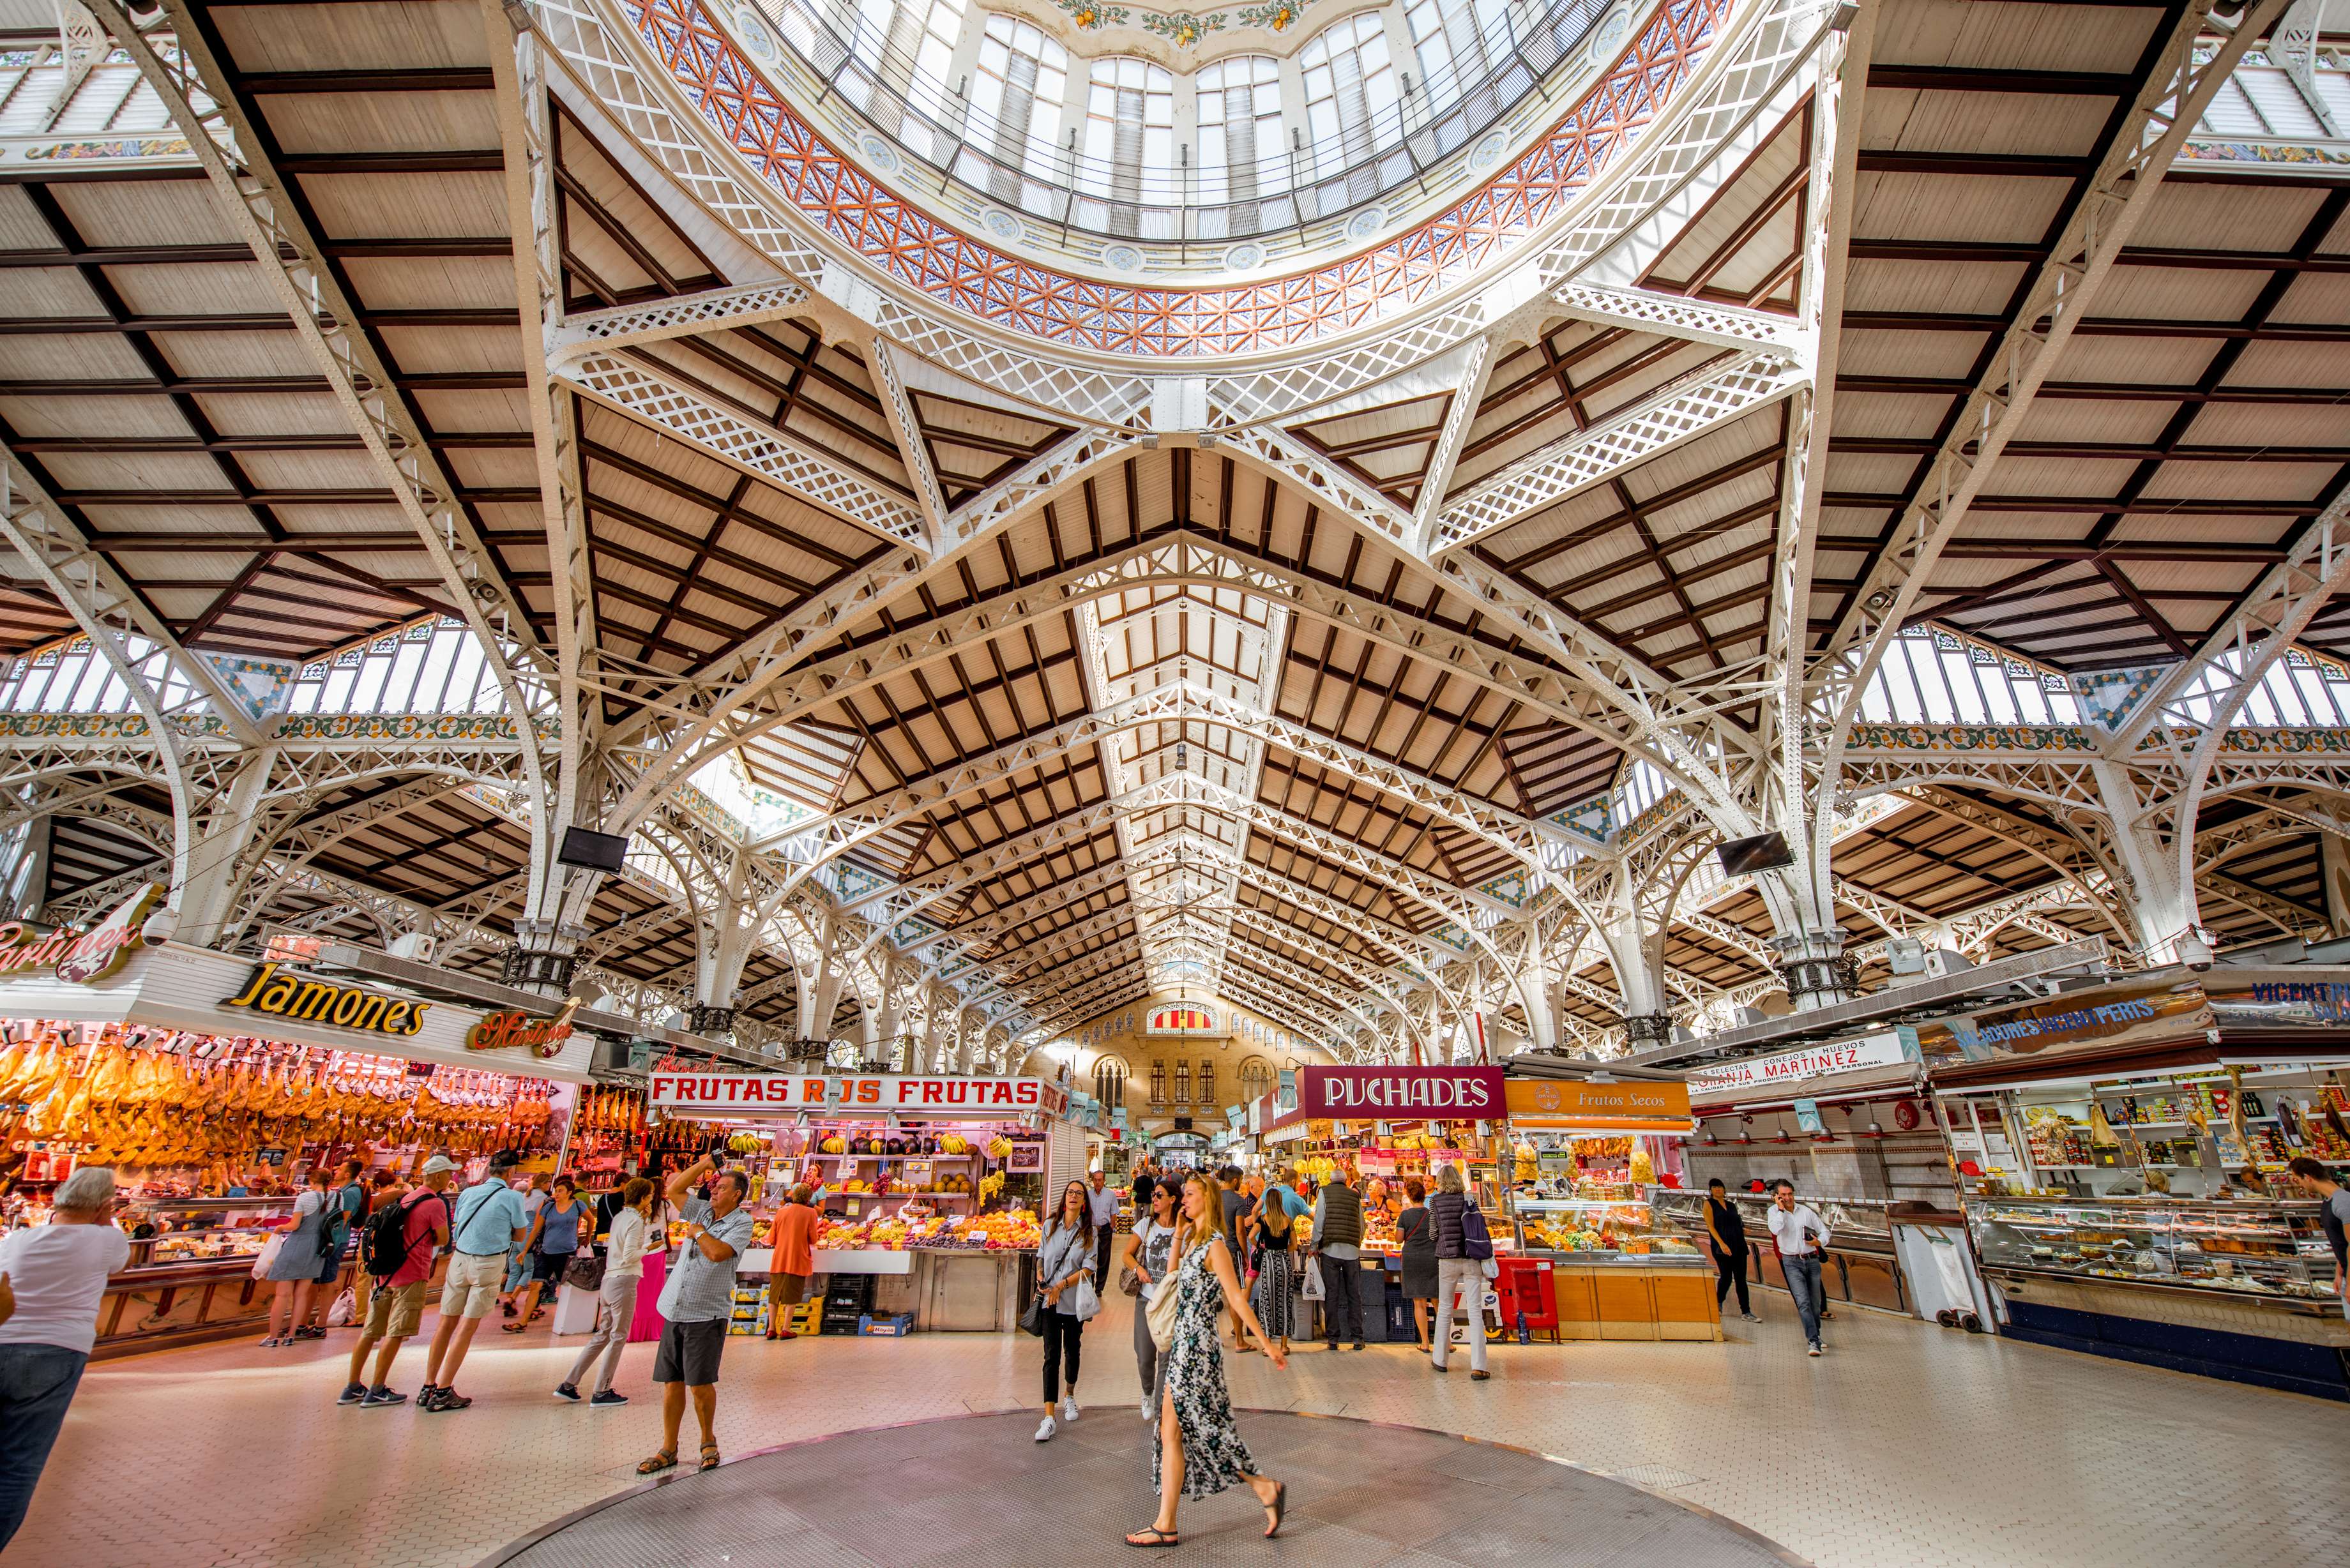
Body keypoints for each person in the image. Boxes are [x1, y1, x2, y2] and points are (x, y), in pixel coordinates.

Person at [1124, 1170, 1291, 1549]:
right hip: (1181, 1342)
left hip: (1198, 1347)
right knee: (1171, 1433)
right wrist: (1180, 1233)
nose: (1184, 1200)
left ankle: (1265, 1487)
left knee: (1204, 1431)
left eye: (1192, 1195)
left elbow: (1235, 1298)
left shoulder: (1216, 1245)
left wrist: (1266, 1343)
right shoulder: (1194, 1241)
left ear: (1208, 1201)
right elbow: (1171, 1281)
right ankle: (1166, 1523)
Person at [0, 1166, 130, 1549]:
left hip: (3, 1338)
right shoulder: (106, 1240)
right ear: (104, 1206)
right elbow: (118, 1261)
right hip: (56, 1352)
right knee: (18, 1463)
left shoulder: (18, 1238)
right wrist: (106, 1219)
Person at [639, 1150, 756, 1474]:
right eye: (714, 1187)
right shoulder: (702, 1210)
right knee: (672, 1382)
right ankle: (668, 1447)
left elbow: (718, 1254)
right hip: (676, 1306)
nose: (714, 1191)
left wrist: (699, 1233)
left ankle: (708, 1442)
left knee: (700, 1384)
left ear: (737, 1195)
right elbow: (675, 1190)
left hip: (706, 1313)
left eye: (721, 1189)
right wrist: (704, 1166)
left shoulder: (742, 1222)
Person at [337, 1154, 454, 1408]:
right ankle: (378, 1389)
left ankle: (352, 1386)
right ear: (437, 1176)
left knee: (370, 1331)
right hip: (412, 1273)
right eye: (447, 1174)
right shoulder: (434, 1203)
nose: (450, 1178)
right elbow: (443, 1238)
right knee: (396, 1332)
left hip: (386, 1273)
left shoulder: (406, 1198)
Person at [419, 1150, 529, 1412]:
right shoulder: (512, 1197)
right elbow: (520, 1234)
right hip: (488, 1263)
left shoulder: (468, 1192)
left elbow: (458, 1224)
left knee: (446, 1322)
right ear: (511, 1173)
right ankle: (444, 1390)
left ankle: (429, 1385)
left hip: (460, 1260)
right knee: (467, 1327)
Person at [559, 1176, 655, 1406]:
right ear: (643, 1197)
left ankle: (569, 1384)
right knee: (619, 1335)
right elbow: (630, 1255)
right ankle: (601, 1391)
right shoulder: (636, 1222)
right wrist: (650, 1247)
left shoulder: (621, 1217)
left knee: (603, 1333)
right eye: (650, 1195)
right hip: (624, 1279)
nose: (652, 1198)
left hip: (609, 1278)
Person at [1033, 1178, 1096, 1442]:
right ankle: (1049, 1416)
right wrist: (1040, 1277)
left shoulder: (1087, 1232)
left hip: (1073, 1303)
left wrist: (1063, 1284)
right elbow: (1040, 1255)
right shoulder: (1049, 1225)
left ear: (1083, 1202)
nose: (1073, 1197)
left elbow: (1089, 1268)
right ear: (1064, 1197)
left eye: (1078, 1194)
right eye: (1070, 1192)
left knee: (1072, 1350)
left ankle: (1069, 1395)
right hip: (1049, 1301)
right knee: (1051, 1356)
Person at [1121, 1175, 1180, 1416]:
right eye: (1154, 1195)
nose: (1153, 1199)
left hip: (1170, 1303)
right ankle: (1147, 1392)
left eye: (1159, 1196)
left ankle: (1160, 1412)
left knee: (1166, 1360)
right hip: (1146, 1300)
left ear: (1173, 1200)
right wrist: (1139, 1269)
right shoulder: (1145, 1225)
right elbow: (1127, 1254)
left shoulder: (1184, 1229)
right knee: (1145, 1356)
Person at [259, 1168, 336, 1348]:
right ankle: (291, 1336)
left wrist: (280, 1228)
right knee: (301, 1295)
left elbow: (294, 1225)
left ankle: (272, 1338)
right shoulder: (336, 1198)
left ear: (312, 1181)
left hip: (297, 1246)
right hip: (318, 1249)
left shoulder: (305, 1198)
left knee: (283, 1294)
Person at [505, 1175, 591, 1335]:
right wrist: (525, 1250)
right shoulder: (548, 1207)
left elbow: (590, 1220)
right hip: (546, 1252)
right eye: (556, 1191)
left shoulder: (578, 1205)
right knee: (535, 1285)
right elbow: (536, 1230)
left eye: (560, 1191)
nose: (556, 1194)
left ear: (569, 1193)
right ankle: (523, 1322)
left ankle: (570, 1319)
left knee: (566, 1286)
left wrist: (586, 1237)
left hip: (567, 1253)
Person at [1427, 1165, 1489, 1379]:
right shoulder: (1470, 1199)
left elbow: (1433, 1234)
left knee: (1444, 1308)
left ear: (1440, 1182)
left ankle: (1440, 1360)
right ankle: (1479, 1366)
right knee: (1475, 1310)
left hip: (1447, 1259)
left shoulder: (1435, 1202)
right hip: (1471, 1257)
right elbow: (1480, 1227)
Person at [1767, 1179, 1831, 1356]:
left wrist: (1820, 1242)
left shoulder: (1806, 1212)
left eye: (1790, 1194)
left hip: (1811, 1260)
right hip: (1791, 1262)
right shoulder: (1773, 1212)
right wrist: (1780, 1210)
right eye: (1783, 1195)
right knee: (1803, 1302)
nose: (1788, 1198)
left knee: (1815, 1303)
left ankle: (1816, 1335)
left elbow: (1825, 1231)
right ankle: (1813, 1341)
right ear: (1777, 1197)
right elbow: (1775, 1230)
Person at [1308, 1168, 1366, 1351]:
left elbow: (1319, 1221)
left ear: (1331, 1180)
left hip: (1330, 1251)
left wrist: (1314, 1246)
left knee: (1331, 1295)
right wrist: (1357, 1243)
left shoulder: (1324, 1192)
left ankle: (1333, 1339)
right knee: (1354, 1295)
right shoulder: (1354, 1196)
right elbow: (1362, 1225)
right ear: (1346, 1180)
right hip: (1352, 1253)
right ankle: (1357, 1338)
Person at [2286, 1156, 2349, 1306]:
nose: (2300, 1185)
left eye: (2298, 1180)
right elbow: (2341, 1243)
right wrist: (2340, 1273)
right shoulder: (2329, 1202)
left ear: (2307, 1177)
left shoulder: (2343, 1202)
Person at [762, 1182, 818, 1340]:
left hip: (780, 1257)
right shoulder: (810, 1213)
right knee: (792, 1294)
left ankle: (771, 1328)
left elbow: (772, 1239)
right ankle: (786, 1328)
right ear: (808, 1198)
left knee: (774, 1294)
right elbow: (814, 1238)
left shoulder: (781, 1212)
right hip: (798, 1257)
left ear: (793, 1196)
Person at [1250, 1176, 1297, 1358]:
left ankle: (1268, 1344)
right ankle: (1284, 1345)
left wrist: (1260, 1245)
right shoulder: (1288, 1220)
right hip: (1284, 1263)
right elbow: (1294, 1245)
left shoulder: (1262, 1220)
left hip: (1268, 1261)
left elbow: (1250, 1237)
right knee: (1285, 1301)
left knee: (1267, 1302)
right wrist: (1284, 1249)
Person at [499, 1172, 553, 1318]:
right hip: (528, 1238)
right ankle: (512, 1299)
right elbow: (541, 1222)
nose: (550, 1185)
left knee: (514, 1271)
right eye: (549, 1182)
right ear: (543, 1184)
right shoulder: (544, 1199)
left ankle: (510, 1303)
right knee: (529, 1270)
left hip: (514, 1237)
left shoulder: (523, 1196)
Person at [1705, 1178, 1756, 1322]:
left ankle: (1746, 1311)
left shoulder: (1731, 1205)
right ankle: (1718, 1301)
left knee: (1741, 1279)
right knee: (1726, 1277)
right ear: (1711, 1190)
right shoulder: (1709, 1204)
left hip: (1738, 1245)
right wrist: (1721, 1244)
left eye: (1720, 1187)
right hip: (1721, 1248)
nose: (1718, 1189)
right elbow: (1710, 1226)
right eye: (1715, 1187)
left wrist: (1743, 1230)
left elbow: (1736, 1223)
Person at [1397, 1176, 1437, 1350]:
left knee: (1419, 1302)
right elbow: (1437, 1236)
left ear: (1409, 1196)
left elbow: (1399, 1239)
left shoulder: (1405, 1215)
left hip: (1412, 1258)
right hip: (1432, 1258)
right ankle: (1448, 1342)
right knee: (1438, 1301)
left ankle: (1425, 1343)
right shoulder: (1433, 1214)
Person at [1086, 1168, 1121, 1299]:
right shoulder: (1088, 1195)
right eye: (1095, 1180)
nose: (1097, 1183)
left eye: (1100, 1180)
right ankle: (1090, 1284)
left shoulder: (1110, 1195)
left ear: (1104, 1181)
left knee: (1103, 1259)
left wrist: (1111, 1227)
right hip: (1091, 1230)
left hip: (1105, 1230)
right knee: (1090, 1258)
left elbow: (1114, 1212)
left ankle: (1099, 1288)